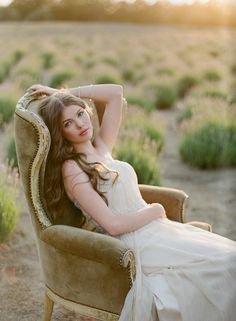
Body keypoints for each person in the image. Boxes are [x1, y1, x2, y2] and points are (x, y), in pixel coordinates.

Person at [27, 83, 236, 321]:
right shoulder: (72, 168)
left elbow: (115, 94)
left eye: (80, 114)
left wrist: (62, 94)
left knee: (228, 258)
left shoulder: (102, 147)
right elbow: (112, 225)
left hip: (155, 229)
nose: (80, 124)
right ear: (60, 133)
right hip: (133, 241)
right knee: (219, 269)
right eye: (68, 124)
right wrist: (156, 210)